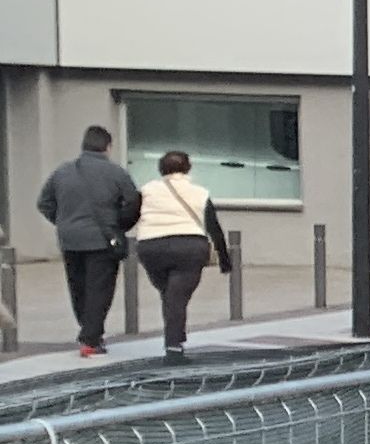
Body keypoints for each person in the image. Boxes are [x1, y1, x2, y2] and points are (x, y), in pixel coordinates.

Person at [35, 124, 141, 359]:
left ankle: (88, 330)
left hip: (70, 239)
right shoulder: (117, 173)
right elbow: (133, 203)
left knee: (78, 287)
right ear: (108, 147)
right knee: (99, 289)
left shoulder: (62, 172)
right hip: (102, 240)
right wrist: (119, 226)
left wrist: (63, 221)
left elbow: (44, 203)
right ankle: (91, 338)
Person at [131, 150, 232, 363]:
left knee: (169, 294)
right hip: (189, 247)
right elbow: (214, 227)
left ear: (161, 169)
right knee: (176, 298)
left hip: (152, 247)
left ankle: (176, 335)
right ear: (188, 168)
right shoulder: (200, 193)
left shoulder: (147, 190)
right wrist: (224, 259)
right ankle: (174, 346)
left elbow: (128, 217)